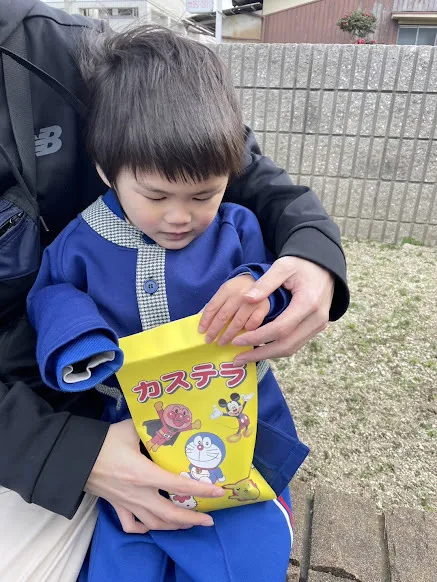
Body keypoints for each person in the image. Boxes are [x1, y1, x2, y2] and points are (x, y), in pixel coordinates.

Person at [0, 0, 348, 538]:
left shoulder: (73, 53)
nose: (181, 217)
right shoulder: (80, 241)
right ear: (104, 169)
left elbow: (255, 199)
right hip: (117, 419)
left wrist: (296, 262)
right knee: (129, 546)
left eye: (204, 194)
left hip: (232, 407)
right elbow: (54, 291)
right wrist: (79, 346)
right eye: (156, 195)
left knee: (244, 538)